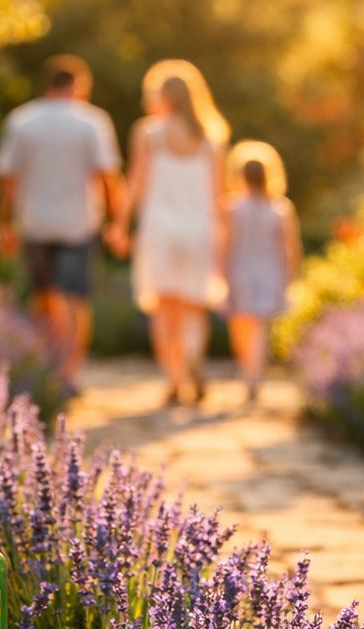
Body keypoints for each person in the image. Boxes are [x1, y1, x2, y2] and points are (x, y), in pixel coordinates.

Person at [0, 54, 123, 380]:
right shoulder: (92, 121)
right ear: (77, 86)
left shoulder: (21, 120)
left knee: (44, 298)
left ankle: (50, 365)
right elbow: (107, 176)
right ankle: (70, 371)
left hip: (34, 222)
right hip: (79, 223)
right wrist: (117, 223)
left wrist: (3, 224)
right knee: (76, 300)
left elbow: (7, 178)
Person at [116, 59, 228, 406]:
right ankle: (193, 356)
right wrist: (223, 236)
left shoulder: (149, 133)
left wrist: (119, 224)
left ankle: (174, 380)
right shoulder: (211, 139)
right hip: (199, 228)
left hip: (160, 228)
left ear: (162, 96)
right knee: (194, 306)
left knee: (164, 309)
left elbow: (134, 184)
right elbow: (218, 195)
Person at [223, 140, 302, 403]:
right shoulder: (280, 208)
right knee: (259, 327)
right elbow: (289, 247)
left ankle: (250, 373)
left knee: (243, 325)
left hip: (240, 270)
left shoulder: (232, 208)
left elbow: (226, 244)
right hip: (269, 271)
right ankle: (254, 374)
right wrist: (290, 275)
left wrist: (222, 272)